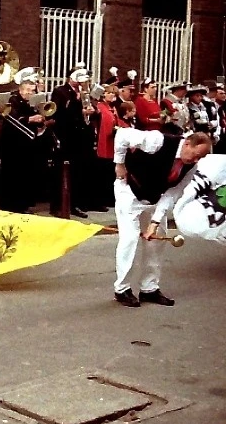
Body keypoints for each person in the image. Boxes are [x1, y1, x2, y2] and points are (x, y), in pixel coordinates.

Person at [112, 129, 212, 307]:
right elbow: (122, 135)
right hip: (129, 191)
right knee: (130, 239)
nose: (196, 160)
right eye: (196, 155)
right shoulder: (157, 140)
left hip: (154, 198)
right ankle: (122, 289)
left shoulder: (191, 168)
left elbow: (172, 194)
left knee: (157, 243)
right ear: (188, 143)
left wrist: (154, 222)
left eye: (200, 158)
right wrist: (119, 163)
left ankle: (149, 288)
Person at [51, 64, 97, 217]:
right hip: (66, 136)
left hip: (81, 136)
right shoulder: (60, 91)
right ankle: (58, 206)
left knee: (79, 172)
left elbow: (88, 109)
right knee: (61, 172)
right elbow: (58, 112)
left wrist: (91, 110)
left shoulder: (84, 92)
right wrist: (78, 105)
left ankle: (75, 204)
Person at [0, 75, 45, 214]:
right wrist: (30, 119)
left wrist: (40, 118)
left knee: (24, 175)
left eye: (32, 91)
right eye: (28, 91)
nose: (30, 94)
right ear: (21, 90)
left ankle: (22, 205)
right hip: (12, 145)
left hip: (26, 144)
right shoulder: (13, 100)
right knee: (12, 176)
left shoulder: (31, 103)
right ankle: (9, 206)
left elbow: (35, 118)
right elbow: (15, 118)